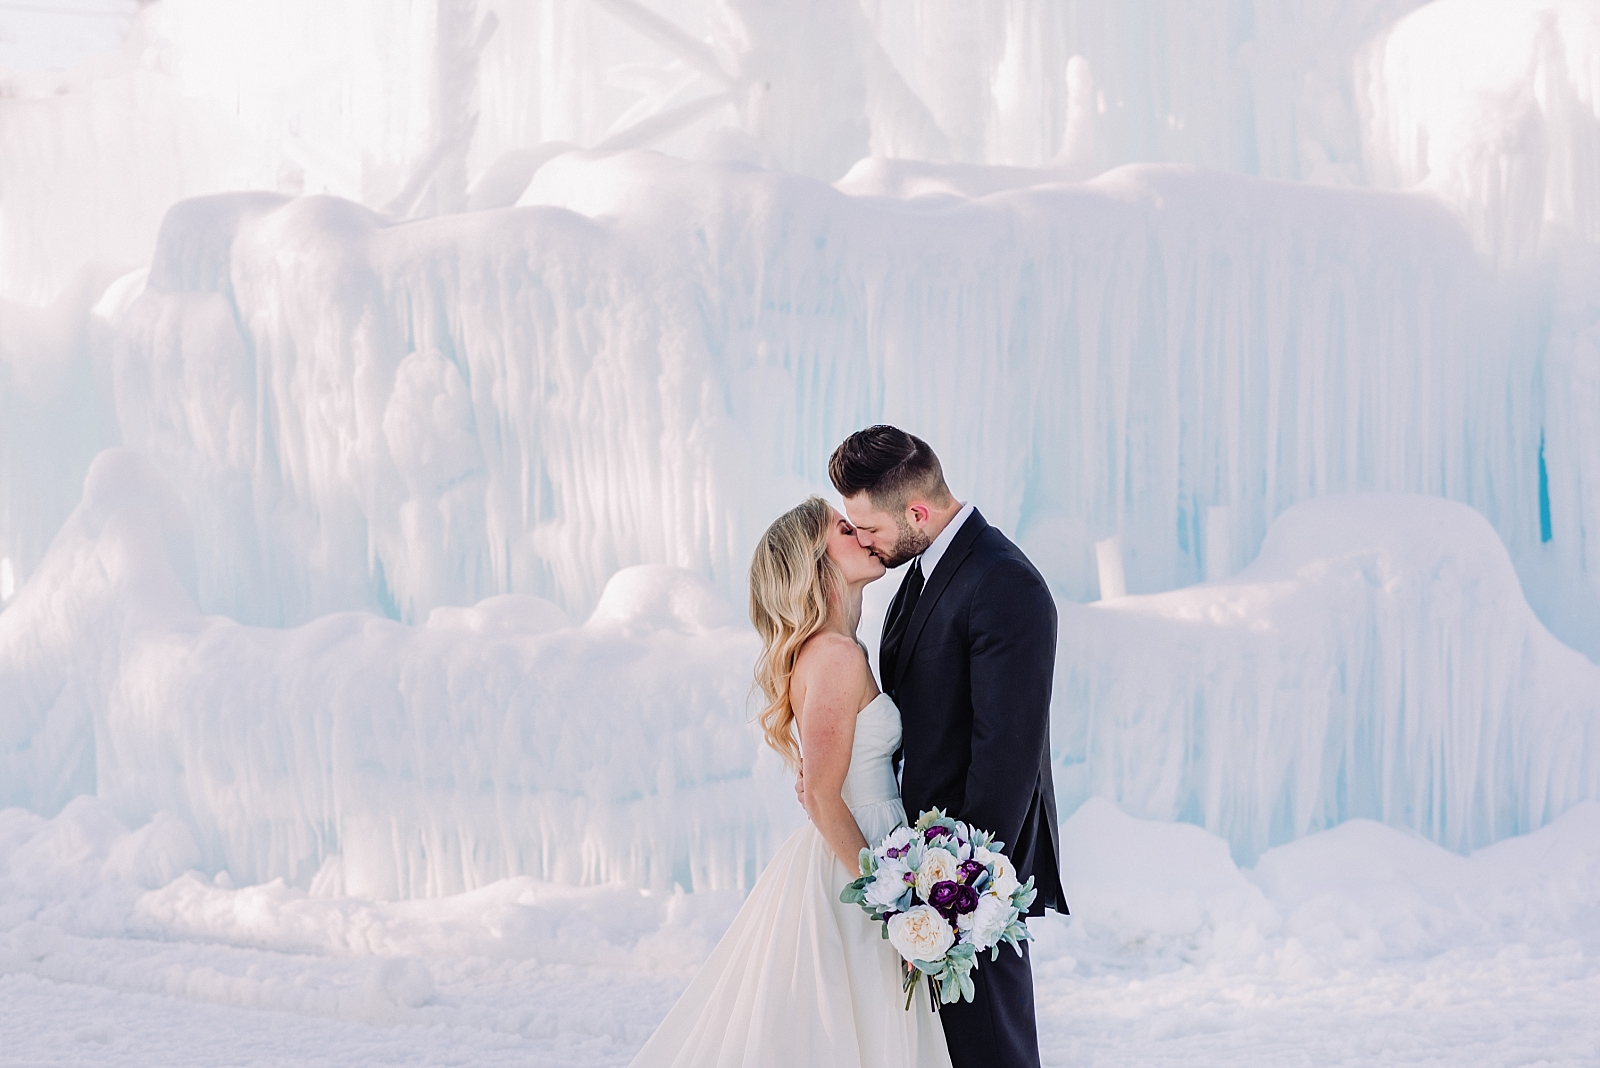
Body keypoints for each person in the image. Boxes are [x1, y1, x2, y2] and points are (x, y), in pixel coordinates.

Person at [628, 496, 951, 1068]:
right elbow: (824, 797)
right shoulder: (832, 657)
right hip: (856, 865)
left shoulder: (838, 650)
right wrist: (897, 908)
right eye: (844, 529)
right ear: (814, 560)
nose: (864, 535)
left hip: (869, 848)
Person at [823, 424, 1065, 1068]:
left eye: (868, 527)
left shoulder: (1004, 583)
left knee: (992, 1049)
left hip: (974, 876)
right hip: (923, 866)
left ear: (918, 512)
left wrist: (960, 893)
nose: (863, 542)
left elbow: (1006, 755)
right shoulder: (924, 571)